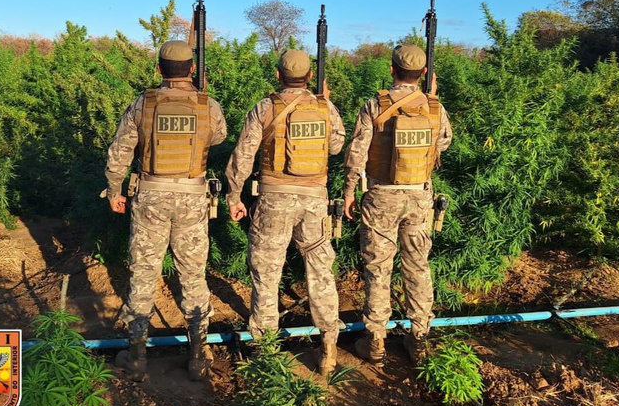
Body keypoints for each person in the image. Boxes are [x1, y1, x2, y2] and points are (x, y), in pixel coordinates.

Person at [104, 40, 227, 382]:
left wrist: (114, 190)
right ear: (191, 69)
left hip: (151, 197)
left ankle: (138, 356)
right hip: (192, 198)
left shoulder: (144, 104)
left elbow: (120, 151)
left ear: (159, 69)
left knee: (143, 273)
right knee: (193, 274)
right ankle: (199, 355)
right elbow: (218, 137)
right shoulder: (207, 104)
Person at [226, 48, 346, 376]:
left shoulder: (265, 108)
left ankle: (266, 351)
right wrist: (325, 103)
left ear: (278, 76)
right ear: (309, 77)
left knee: (266, 274)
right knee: (320, 272)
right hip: (314, 202)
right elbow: (336, 146)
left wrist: (234, 195)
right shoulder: (325, 107)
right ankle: (329, 347)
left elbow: (243, 156)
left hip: (273, 200)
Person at [343, 44, 452, 365]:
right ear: (422, 74)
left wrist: (350, 190)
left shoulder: (375, 105)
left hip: (380, 196)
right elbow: (443, 141)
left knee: (378, 268)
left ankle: (375, 340)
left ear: (391, 70)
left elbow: (357, 153)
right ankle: (418, 339)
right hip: (419, 196)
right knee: (417, 266)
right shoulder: (435, 108)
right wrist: (430, 100)